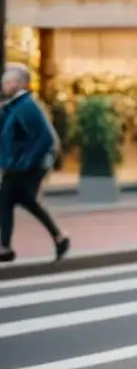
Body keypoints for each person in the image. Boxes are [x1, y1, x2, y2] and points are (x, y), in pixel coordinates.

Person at [0, 64, 69, 263]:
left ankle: (5, 248)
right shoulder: (15, 106)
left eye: (7, 81)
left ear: (19, 83)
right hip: (17, 165)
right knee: (24, 201)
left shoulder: (27, 106)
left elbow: (46, 138)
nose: (3, 85)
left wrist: (27, 162)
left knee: (5, 200)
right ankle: (59, 238)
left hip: (23, 167)